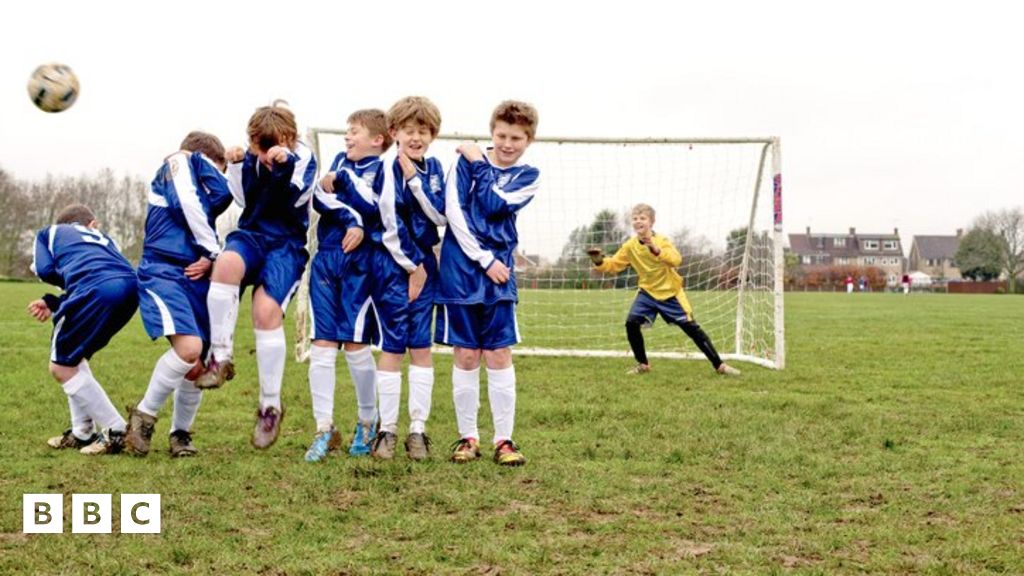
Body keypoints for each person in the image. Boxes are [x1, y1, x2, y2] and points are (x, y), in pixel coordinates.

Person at [196, 101, 317, 450]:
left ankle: (269, 406)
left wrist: (284, 162)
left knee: (265, 314)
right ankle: (220, 357)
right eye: (257, 147)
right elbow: (241, 198)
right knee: (227, 264)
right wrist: (237, 165)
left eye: (270, 147)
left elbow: (295, 196)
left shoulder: (303, 158)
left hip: (285, 245)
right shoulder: (249, 158)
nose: (263, 155)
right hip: (251, 234)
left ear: (290, 138)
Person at [435, 100, 541, 466]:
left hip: (499, 276)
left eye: (516, 137)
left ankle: (504, 441)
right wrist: (484, 259)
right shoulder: (461, 162)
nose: (508, 144)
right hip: (461, 271)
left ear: (529, 140)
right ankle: (468, 438)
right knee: (465, 354)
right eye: (501, 135)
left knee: (498, 353)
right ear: (492, 131)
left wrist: (480, 163)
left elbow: (494, 205)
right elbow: (455, 214)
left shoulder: (528, 174)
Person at [125, 132, 235, 458]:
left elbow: (223, 196)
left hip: (195, 274)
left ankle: (181, 434)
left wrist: (211, 256)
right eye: (214, 169)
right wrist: (212, 251)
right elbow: (186, 202)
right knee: (189, 349)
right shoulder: (177, 164)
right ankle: (142, 417)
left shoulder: (204, 188)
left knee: (197, 363)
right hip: (164, 272)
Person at [304, 109, 390, 462]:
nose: (347, 138)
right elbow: (317, 198)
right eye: (346, 132)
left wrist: (344, 183)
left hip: (361, 265)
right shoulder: (339, 162)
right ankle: (323, 428)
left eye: (354, 132)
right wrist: (350, 217)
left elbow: (376, 207)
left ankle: (367, 421)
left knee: (355, 344)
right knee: (322, 344)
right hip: (327, 258)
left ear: (377, 140)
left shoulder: (385, 170)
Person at [28, 204, 139, 455]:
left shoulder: (49, 233)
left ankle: (117, 430)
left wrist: (56, 279)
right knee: (74, 358)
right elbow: (96, 272)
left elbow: (45, 270)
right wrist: (54, 301)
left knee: (60, 366)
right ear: (92, 224)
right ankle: (82, 433)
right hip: (131, 290)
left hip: (96, 289)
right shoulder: (104, 239)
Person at [371, 96, 447, 461]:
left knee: (421, 347)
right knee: (392, 348)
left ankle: (418, 429)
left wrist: (416, 182)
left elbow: (439, 216)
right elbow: (388, 223)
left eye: (423, 131)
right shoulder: (386, 167)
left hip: (425, 269)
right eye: (408, 130)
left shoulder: (432, 169)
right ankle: (386, 430)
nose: (416, 137)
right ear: (394, 132)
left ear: (432, 135)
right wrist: (412, 266)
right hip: (394, 267)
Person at [586, 203, 742, 378]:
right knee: (631, 323)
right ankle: (643, 364)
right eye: (635, 219)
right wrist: (599, 261)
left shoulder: (662, 241)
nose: (638, 221)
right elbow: (614, 265)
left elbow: (676, 260)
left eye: (642, 218)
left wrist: (656, 250)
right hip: (647, 293)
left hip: (670, 293)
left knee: (692, 329)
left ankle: (719, 365)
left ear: (651, 222)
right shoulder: (629, 246)